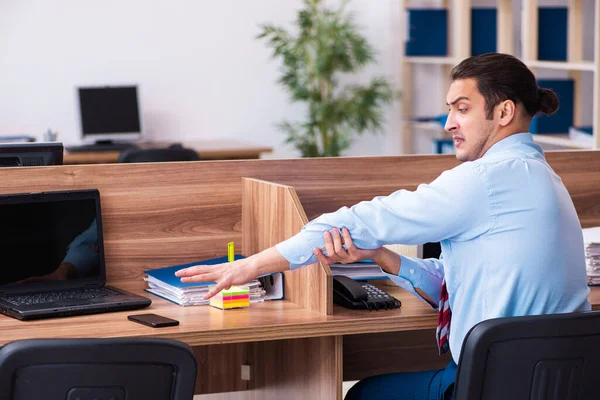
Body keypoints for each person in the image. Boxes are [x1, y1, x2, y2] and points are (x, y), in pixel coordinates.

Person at [175, 53, 591, 399]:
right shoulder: (545, 178)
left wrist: (249, 267)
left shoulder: (483, 180)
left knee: (362, 395)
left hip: (487, 384)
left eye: (462, 109)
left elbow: (357, 221)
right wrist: (383, 257)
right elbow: (469, 281)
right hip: (558, 382)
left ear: (503, 112)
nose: (448, 123)